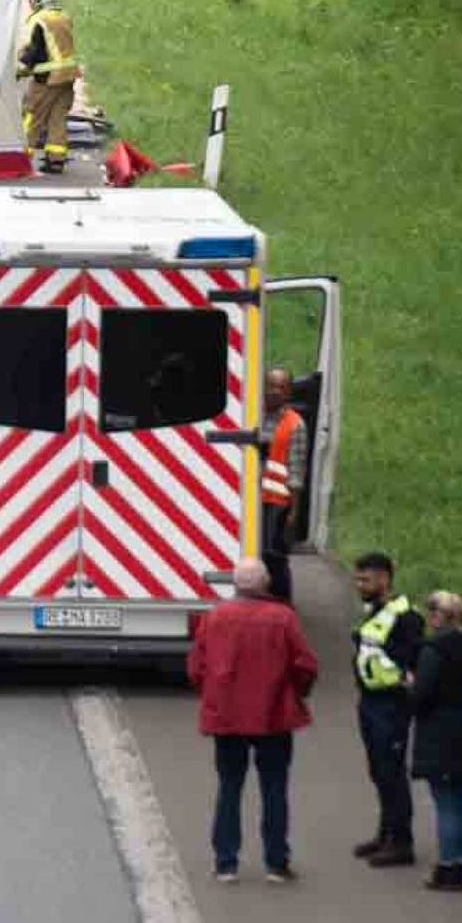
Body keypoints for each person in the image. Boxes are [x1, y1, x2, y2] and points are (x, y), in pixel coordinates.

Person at [189, 559, 317, 884]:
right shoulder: (283, 618)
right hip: (273, 715)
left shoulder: (215, 617)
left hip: (228, 716)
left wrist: (213, 693)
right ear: (266, 583)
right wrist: (295, 692)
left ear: (236, 585)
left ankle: (225, 863)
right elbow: (304, 665)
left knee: (229, 787)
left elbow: (196, 667)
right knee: (274, 788)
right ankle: (276, 863)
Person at [349, 551, 425, 868]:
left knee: (391, 772)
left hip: (391, 704)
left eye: (365, 579)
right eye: (357, 578)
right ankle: (386, 833)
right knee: (378, 770)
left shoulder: (405, 616)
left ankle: (401, 842)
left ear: (384, 579)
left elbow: (412, 661)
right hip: (371, 700)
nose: (359, 584)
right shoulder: (376, 611)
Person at [411, 590, 462, 893]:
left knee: (445, 802)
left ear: (436, 616)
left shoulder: (435, 650)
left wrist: (410, 688)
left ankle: (446, 869)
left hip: (441, 730)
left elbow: (423, 694)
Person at [15, 0, 82, 174]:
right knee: (57, 118)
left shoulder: (39, 20)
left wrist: (21, 67)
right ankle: (56, 160)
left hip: (47, 79)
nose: (30, 1)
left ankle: (20, 159)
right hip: (68, 77)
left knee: (32, 117)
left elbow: (33, 52)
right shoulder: (63, 16)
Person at [258, 366, 305, 603]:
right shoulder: (251, 415)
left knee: (274, 556)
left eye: (281, 387)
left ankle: (282, 605)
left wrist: (294, 511)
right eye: (271, 385)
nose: (274, 392)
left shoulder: (295, 424)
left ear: (289, 392)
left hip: (277, 502)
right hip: (251, 498)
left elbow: (296, 471)